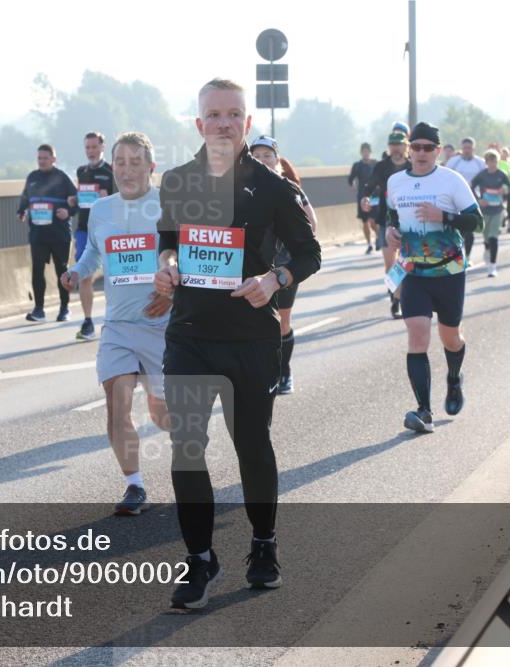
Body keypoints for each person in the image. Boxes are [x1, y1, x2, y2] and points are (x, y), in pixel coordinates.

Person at [154, 78, 321, 609]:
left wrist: (274, 281)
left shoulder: (273, 187)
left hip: (250, 337)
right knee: (186, 448)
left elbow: (309, 253)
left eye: (233, 114)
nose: (223, 123)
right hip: (190, 336)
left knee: (251, 444)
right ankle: (200, 559)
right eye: (213, 114)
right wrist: (167, 268)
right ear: (198, 123)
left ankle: (264, 545)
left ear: (246, 124)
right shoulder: (178, 181)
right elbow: (167, 243)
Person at [61, 132, 171, 515]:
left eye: (135, 162)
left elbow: (189, 255)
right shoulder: (101, 210)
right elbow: (94, 251)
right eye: (120, 162)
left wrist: (173, 289)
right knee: (116, 404)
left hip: (162, 325)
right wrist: (77, 271)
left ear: (151, 167)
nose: (127, 170)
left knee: (163, 414)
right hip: (119, 327)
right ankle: (134, 485)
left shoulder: (167, 205)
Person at [385, 122, 482, 434]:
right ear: (409, 149)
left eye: (429, 148)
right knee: (416, 332)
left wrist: (445, 217)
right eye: (417, 147)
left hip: (449, 271)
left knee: (450, 336)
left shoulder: (451, 180)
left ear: (438, 151)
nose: (422, 153)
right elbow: (392, 214)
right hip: (413, 271)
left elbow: (477, 221)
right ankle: (424, 411)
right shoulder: (396, 181)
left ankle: (453, 379)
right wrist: (391, 230)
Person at [249, 135, 319, 394]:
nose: (263, 161)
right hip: (252, 266)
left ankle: (284, 372)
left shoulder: (290, 188)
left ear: (277, 160)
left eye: (268, 156)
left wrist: (292, 238)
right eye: (257, 156)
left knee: (281, 322)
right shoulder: (241, 189)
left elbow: (312, 223)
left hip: (285, 266)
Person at [17, 144, 79, 322]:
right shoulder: (32, 177)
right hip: (38, 234)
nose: (42, 161)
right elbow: (25, 198)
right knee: (37, 270)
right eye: (39, 158)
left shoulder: (62, 178)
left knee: (62, 271)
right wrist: (21, 211)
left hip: (59, 234)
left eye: (45, 158)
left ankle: (64, 308)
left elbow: (77, 201)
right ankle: (38, 309)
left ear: (53, 159)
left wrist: (68, 211)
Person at [362, 130, 411, 318]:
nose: (396, 149)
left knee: (404, 262)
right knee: (391, 264)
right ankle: (395, 301)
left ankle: (401, 295)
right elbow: (370, 185)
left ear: (407, 147)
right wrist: (365, 198)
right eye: (393, 146)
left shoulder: (412, 166)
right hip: (386, 220)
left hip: (409, 222)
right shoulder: (382, 166)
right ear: (389, 148)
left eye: (400, 145)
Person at [73, 132, 117, 340]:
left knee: (113, 276)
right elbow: (82, 201)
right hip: (84, 229)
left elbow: (122, 200)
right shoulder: (81, 171)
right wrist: (72, 201)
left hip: (108, 229)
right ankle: (88, 321)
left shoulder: (111, 171)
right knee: (84, 275)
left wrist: (107, 198)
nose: (90, 151)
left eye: (93, 147)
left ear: (102, 147)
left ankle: (113, 318)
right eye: (87, 148)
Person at [471, 150, 510, 277]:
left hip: (497, 209)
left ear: (497, 161)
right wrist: (479, 199)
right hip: (484, 210)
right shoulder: (482, 174)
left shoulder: (501, 174)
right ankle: (487, 248)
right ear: (486, 162)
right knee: (486, 236)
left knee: (494, 237)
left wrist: (505, 189)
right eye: (489, 161)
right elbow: (471, 186)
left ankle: (492, 266)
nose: (492, 163)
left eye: (494, 161)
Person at [445, 137, 487, 260]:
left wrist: (483, 198)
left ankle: (467, 257)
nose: (467, 150)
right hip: (454, 201)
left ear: (473, 149)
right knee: (456, 229)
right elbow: (444, 178)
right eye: (464, 148)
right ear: (461, 148)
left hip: (473, 200)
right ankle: (456, 256)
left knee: (469, 230)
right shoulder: (453, 162)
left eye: (469, 148)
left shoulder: (480, 162)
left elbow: (486, 181)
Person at [348, 142, 378, 253]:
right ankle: (369, 244)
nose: (365, 153)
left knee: (373, 221)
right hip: (362, 197)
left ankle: (379, 238)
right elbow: (350, 179)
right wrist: (352, 185)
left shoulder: (376, 164)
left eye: (367, 151)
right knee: (365, 222)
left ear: (370, 152)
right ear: (361, 152)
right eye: (363, 151)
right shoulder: (357, 166)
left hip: (375, 197)